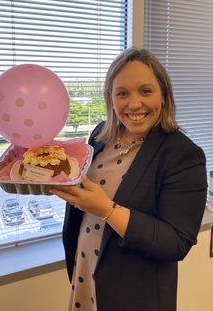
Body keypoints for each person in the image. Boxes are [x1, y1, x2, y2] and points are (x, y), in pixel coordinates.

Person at [51, 48, 207, 311]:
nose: (134, 104)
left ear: (164, 95)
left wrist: (106, 210)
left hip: (134, 294)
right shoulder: (100, 134)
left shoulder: (184, 155)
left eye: (146, 91)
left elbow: (176, 242)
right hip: (86, 272)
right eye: (122, 93)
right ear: (110, 98)